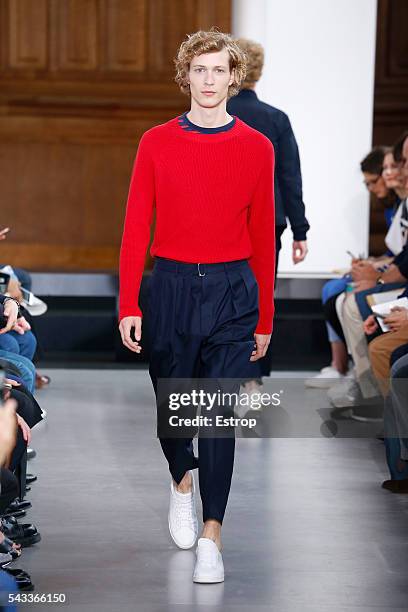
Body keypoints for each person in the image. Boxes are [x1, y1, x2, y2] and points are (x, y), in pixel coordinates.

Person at [119, 29, 275, 583]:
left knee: (216, 416)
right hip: (171, 288)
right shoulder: (156, 142)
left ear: (235, 77)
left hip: (233, 291)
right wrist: (128, 302)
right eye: (200, 70)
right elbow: (137, 224)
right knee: (173, 410)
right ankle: (180, 478)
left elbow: (262, 237)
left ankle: (213, 534)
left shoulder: (258, 147)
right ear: (186, 76)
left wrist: (265, 318)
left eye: (219, 70)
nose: (209, 80)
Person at [227, 38, 309, 389]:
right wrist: (300, 230)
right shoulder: (275, 119)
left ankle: (219, 375)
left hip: (222, 220)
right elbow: (290, 177)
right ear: (257, 72)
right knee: (260, 294)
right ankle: (253, 377)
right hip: (267, 221)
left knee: (221, 295)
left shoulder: (216, 117)